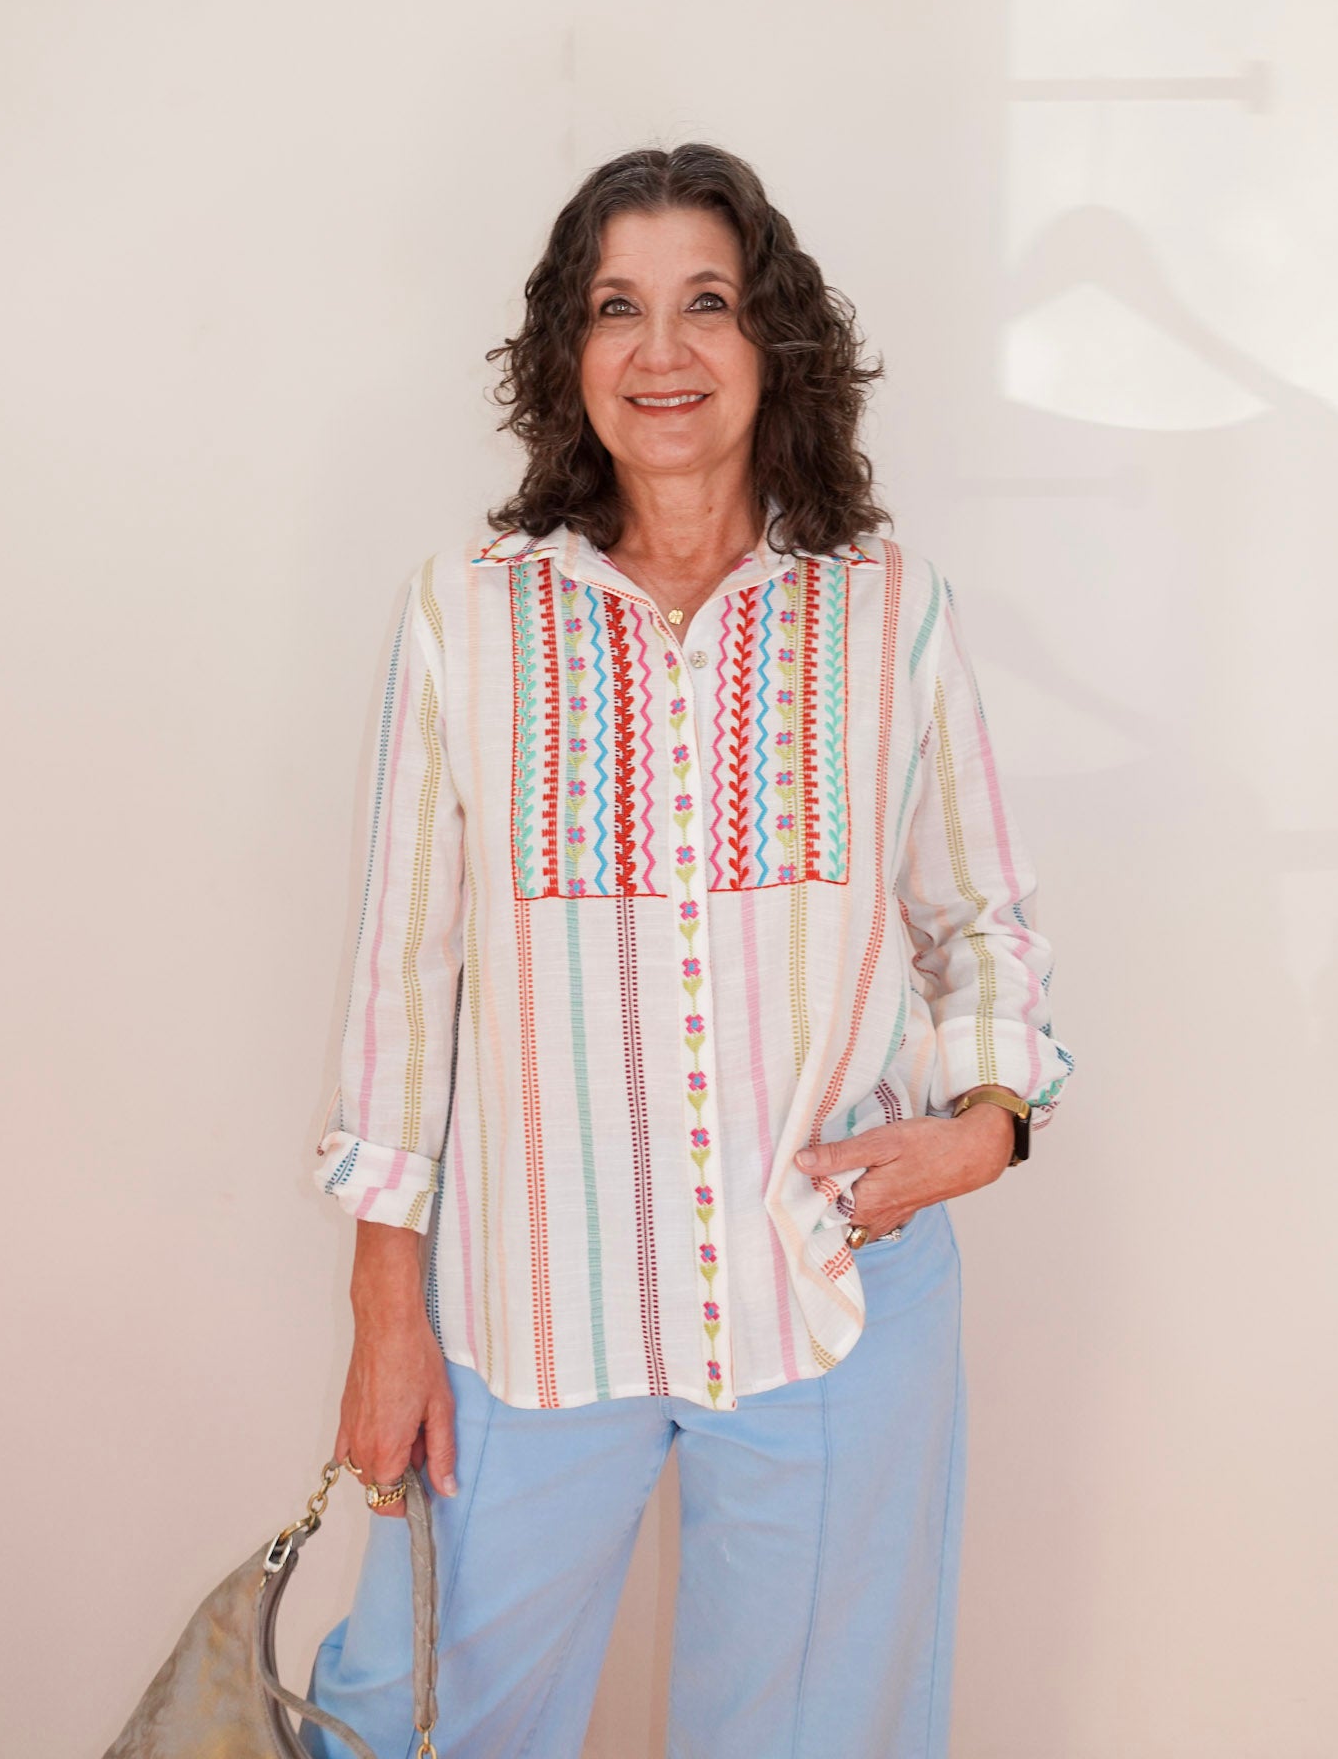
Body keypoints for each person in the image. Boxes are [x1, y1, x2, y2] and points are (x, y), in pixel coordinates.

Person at [300, 143, 1074, 1759]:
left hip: (834, 1301)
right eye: (616, 308)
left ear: (770, 342)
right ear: (566, 352)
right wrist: (386, 1316)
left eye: (705, 303)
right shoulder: (465, 617)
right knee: (409, 1725)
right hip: (521, 1315)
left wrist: (986, 1127)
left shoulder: (887, 611)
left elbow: (976, 917)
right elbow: (400, 981)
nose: (661, 350)